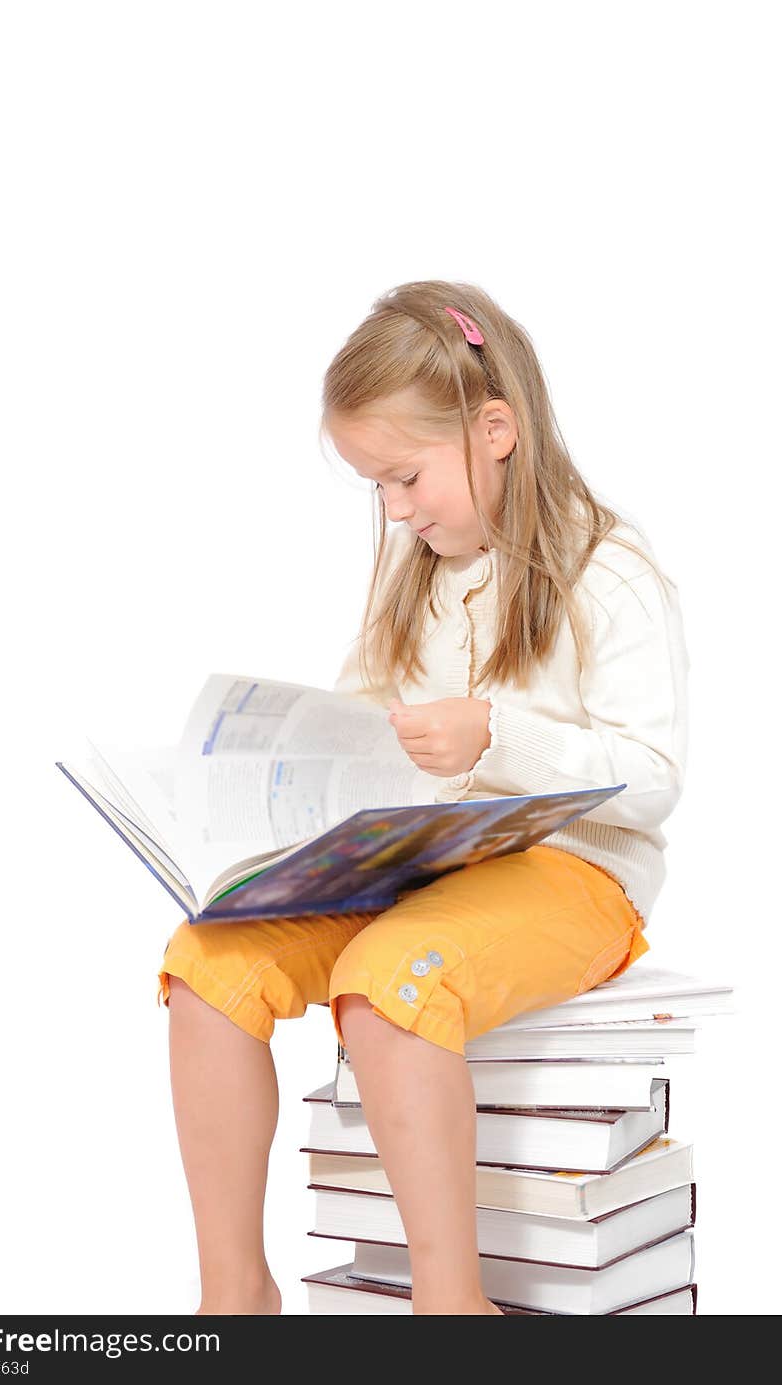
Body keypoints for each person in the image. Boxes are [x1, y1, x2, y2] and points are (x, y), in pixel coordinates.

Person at [157, 280, 689, 1316]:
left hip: (574, 873)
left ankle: (452, 1305)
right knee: (207, 959)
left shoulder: (605, 568)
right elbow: (369, 730)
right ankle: (234, 1294)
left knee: (391, 979)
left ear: (495, 430)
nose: (397, 509)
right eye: (378, 488)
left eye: (405, 476)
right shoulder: (418, 576)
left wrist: (497, 730)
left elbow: (654, 780)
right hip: (428, 863)